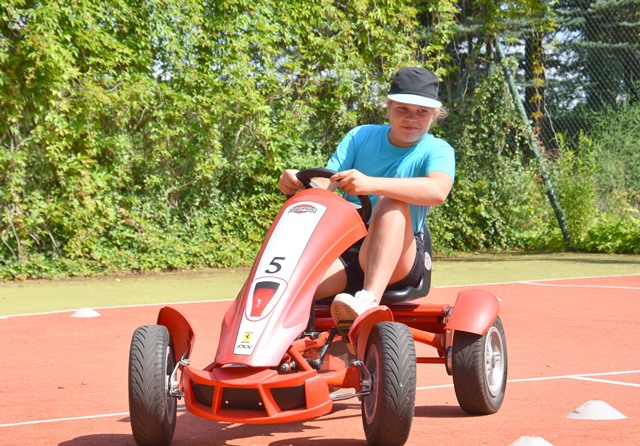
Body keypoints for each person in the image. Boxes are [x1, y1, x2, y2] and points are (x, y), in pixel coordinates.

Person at [278, 66, 455, 325]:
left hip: (400, 256)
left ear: (434, 115)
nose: (411, 118)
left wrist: (371, 184)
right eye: (402, 109)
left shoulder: (438, 149)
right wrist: (298, 181)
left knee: (391, 201)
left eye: (422, 111)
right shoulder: (361, 136)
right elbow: (326, 184)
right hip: (348, 250)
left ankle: (368, 300)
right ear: (389, 106)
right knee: (289, 292)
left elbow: (438, 191)